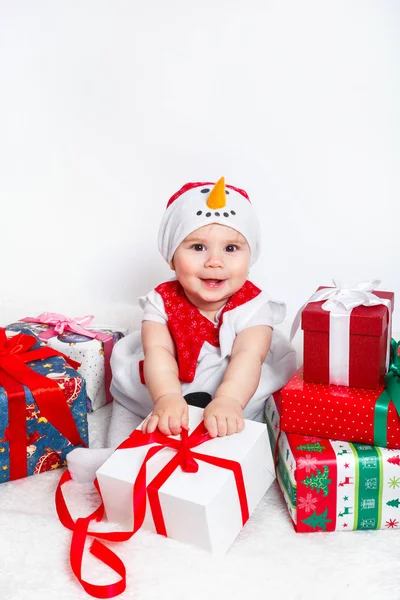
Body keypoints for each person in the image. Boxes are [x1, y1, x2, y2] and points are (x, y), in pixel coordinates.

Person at [67, 177, 296, 481]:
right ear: (171, 258)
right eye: (198, 247)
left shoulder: (254, 307)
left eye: (231, 248)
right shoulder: (161, 301)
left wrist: (228, 399)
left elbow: (247, 358)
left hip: (234, 379)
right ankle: (120, 456)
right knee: (132, 396)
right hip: (166, 374)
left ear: (250, 256)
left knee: (249, 408)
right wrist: (165, 398)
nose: (215, 261)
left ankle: (221, 460)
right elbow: (158, 351)